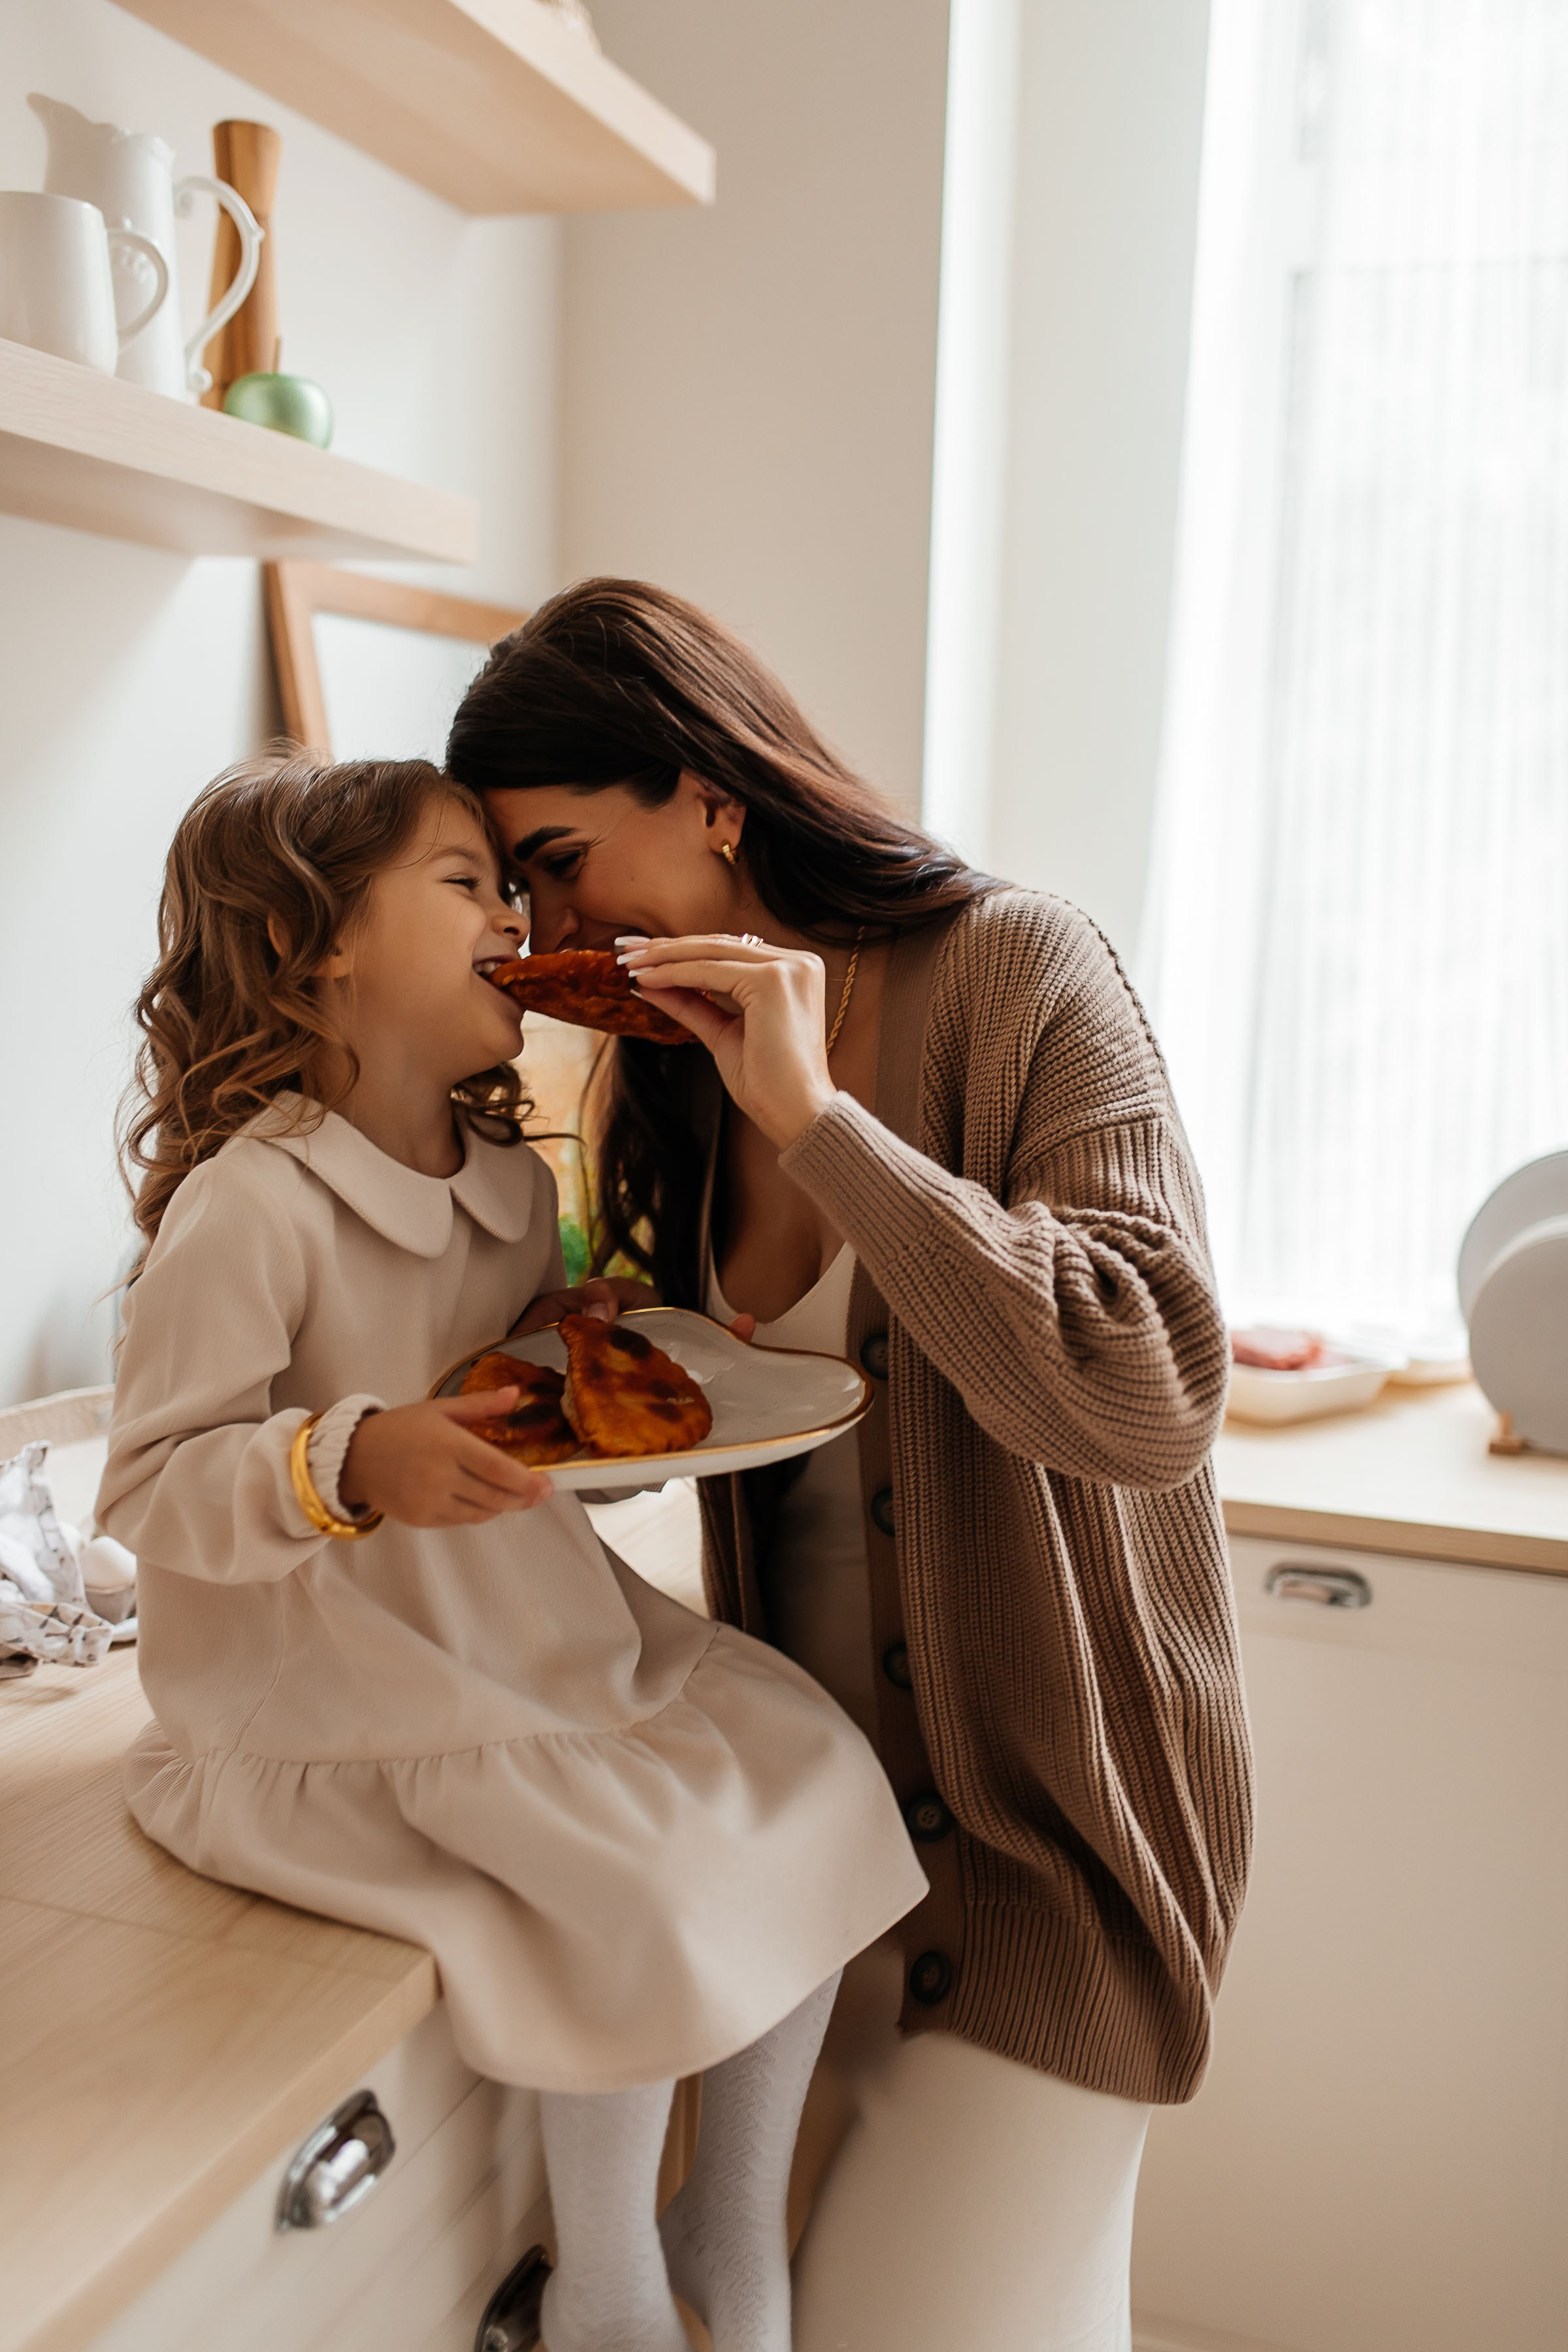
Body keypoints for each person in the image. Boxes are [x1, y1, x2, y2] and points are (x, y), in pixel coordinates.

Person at [446, 579, 1256, 2352]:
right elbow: (715, 1429)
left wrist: (821, 1125)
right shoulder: (667, 1069)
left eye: (565, 860)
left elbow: (1148, 1389)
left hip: (1040, 1868)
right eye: (519, 888)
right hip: (802, 1866)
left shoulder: (1024, 969)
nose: (555, 922)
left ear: (709, 794)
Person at [98, 752, 928, 2352]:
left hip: (519, 1625)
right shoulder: (253, 1203)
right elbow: (148, 1486)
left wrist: (561, 1347)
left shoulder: (504, 1183)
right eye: (468, 884)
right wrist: (354, 1458)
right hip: (343, 1679)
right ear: (313, 947)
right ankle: (606, 2281)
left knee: (816, 1772)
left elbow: (508, 1419)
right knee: (633, 1884)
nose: (522, 920)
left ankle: (726, 2222)